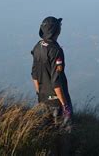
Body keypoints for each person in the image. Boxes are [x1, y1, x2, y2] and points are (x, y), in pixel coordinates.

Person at [31, 16, 72, 155]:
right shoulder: (56, 51)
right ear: (55, 31)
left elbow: (34, 75)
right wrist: (64, 105)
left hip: (43, 99)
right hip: (56, 100)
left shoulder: (37, 47)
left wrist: (39, 94)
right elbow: (56, 81)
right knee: (62, 135)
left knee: (47, 133)